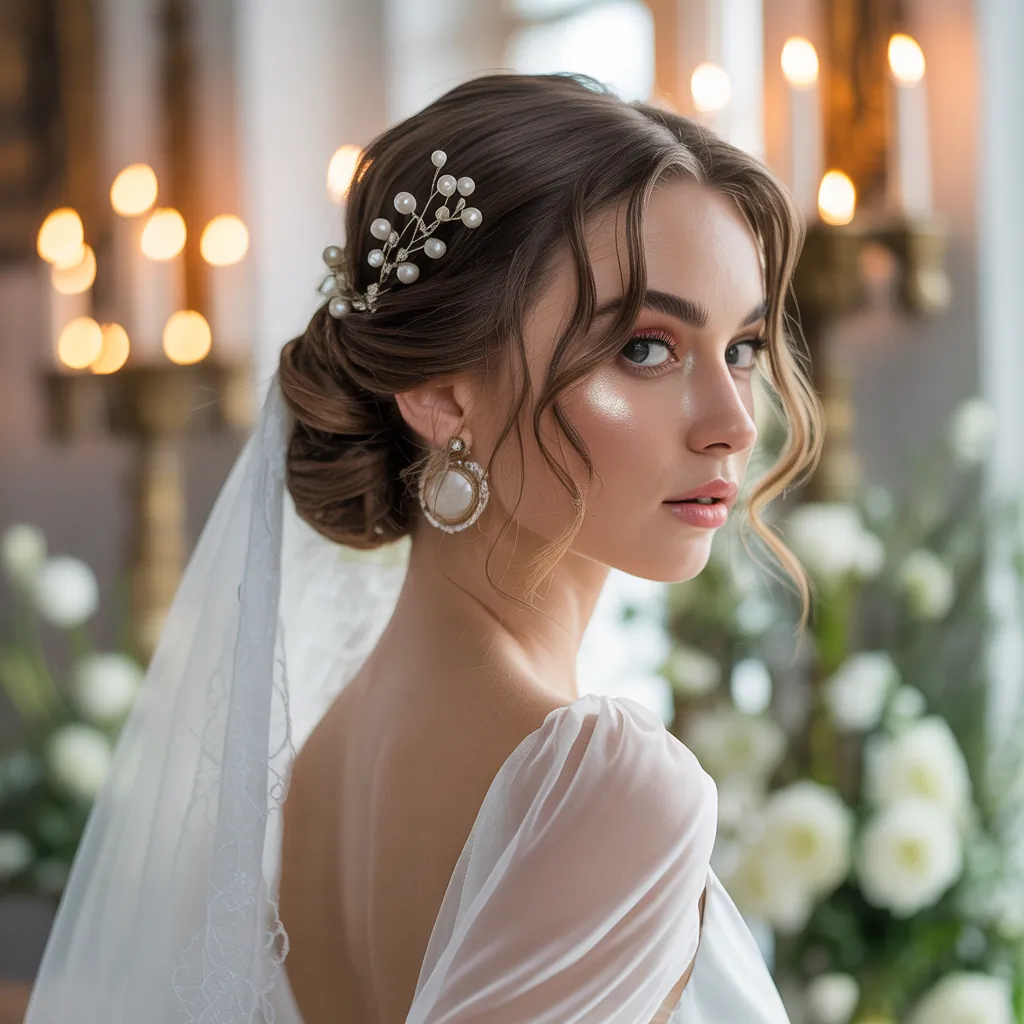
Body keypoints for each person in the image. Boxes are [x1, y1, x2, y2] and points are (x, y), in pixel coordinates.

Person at [24, 73, 822, 1023]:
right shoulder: (606, 787)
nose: (733, 422)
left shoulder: (320, 751)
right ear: (443, 397)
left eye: (740, 347)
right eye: (645, 348)